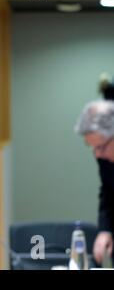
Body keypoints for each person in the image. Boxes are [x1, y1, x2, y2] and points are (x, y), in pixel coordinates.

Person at [75, 100, 114, 265]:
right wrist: (105, 230)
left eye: (101, 147)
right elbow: (108, 192)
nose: (97, 155)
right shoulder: (104, 158)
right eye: (92, 148)